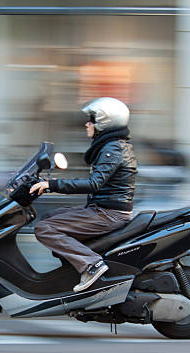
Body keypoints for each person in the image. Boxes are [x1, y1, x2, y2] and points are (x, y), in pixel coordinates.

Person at [29, 97, 137, 292]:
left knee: (45, 228)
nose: (87, 124)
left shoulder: (113, 148)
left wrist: (51, 185)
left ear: (105, 122)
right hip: (103, 209)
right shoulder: (112, 146)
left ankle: (91, 265)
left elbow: (94, 183)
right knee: (50, 217)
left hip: (109, 213)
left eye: (91, 119)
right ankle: (72, 271)